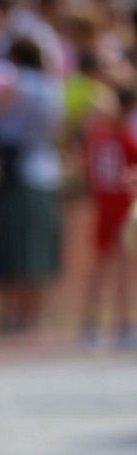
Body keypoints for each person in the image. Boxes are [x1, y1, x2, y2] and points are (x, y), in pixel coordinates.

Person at [0, 35, 63, 330]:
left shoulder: (17, 83)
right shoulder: (52, 86)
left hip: (13, 174)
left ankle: (12, 317)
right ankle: (32, 317)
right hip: (44, 172)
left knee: (12, 249)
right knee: (36, 250)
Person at [79, 84, 137, 348]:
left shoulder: (100, 138)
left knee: (107, 266)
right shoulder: (124, 139)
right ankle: (119, 323)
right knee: (118, 267)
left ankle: (100, 324)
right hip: (120, 209)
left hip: (109, 208)